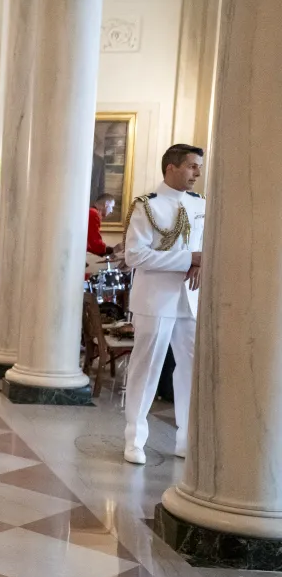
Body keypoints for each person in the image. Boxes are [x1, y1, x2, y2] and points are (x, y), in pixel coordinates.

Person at [121, 143, 205, 465]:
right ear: (171, 167)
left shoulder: (200, 205)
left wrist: (198, 263)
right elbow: (135, 255)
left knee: (190, 369)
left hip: (190, 298)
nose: (197, 173)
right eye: (191, 166)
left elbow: (204, 244)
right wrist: (188, 258)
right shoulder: (147, 207)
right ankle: (134, 440)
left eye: (198, 167)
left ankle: (186, 440)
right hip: (156, 299)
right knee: (148, 367)